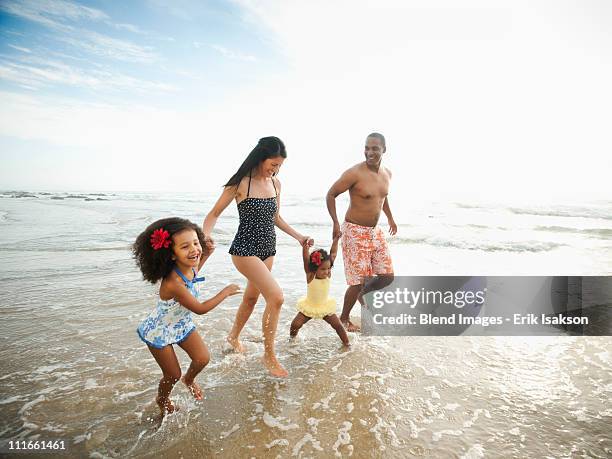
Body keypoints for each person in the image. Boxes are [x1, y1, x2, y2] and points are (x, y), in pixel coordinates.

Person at [203, 136, 313, 378]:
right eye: (272, 164)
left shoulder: (276, 184)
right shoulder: (241, 183)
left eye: (279, 166)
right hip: (245, 249)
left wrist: (298, 236)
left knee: (251, 298)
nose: (275, 169)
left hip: (268, 248)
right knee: (276, 298)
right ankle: (269, 356)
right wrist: (206, 235)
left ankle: (233, 338)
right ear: (261, 157)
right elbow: (213, 214)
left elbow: (275, 217)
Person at [133, 217, 240, 416]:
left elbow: (196, 266)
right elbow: (200, 308)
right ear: (171, 254)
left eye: (196, 243)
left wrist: (206, 252)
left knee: (202, 359)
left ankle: (189, 380)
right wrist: (225, 292)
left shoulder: (189, 266)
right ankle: (162, 399)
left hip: (181, 323)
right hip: (159, 331)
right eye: (185, 247)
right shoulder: (173, 282)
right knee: (172, 374)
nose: (194, 250)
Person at [326, 132, 397, 332]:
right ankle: (344, 319)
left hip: (375, 232)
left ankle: (362, 294)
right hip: (354, 231)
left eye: (375, 148)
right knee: (357, 282)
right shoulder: (354, 173)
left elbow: (382, 197)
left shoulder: (387, 174)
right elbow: (331, 194)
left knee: (387, 276)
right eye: (367, 147)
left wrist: (390, 217)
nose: (369, 152)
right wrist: (335, 223)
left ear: (384, 149)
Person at [289, 233, 350, 346]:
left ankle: (347, 344)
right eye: (323, 269)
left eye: (328, 268)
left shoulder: (328, 274)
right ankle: (292, 340)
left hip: (324, 307)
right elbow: (306, 260)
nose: (326, 271)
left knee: (338, 326)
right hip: (310, 306)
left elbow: (333, 254)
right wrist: (305, 248)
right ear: (314, 268)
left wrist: (336, 240)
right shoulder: (310, 275)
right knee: (295, 324)